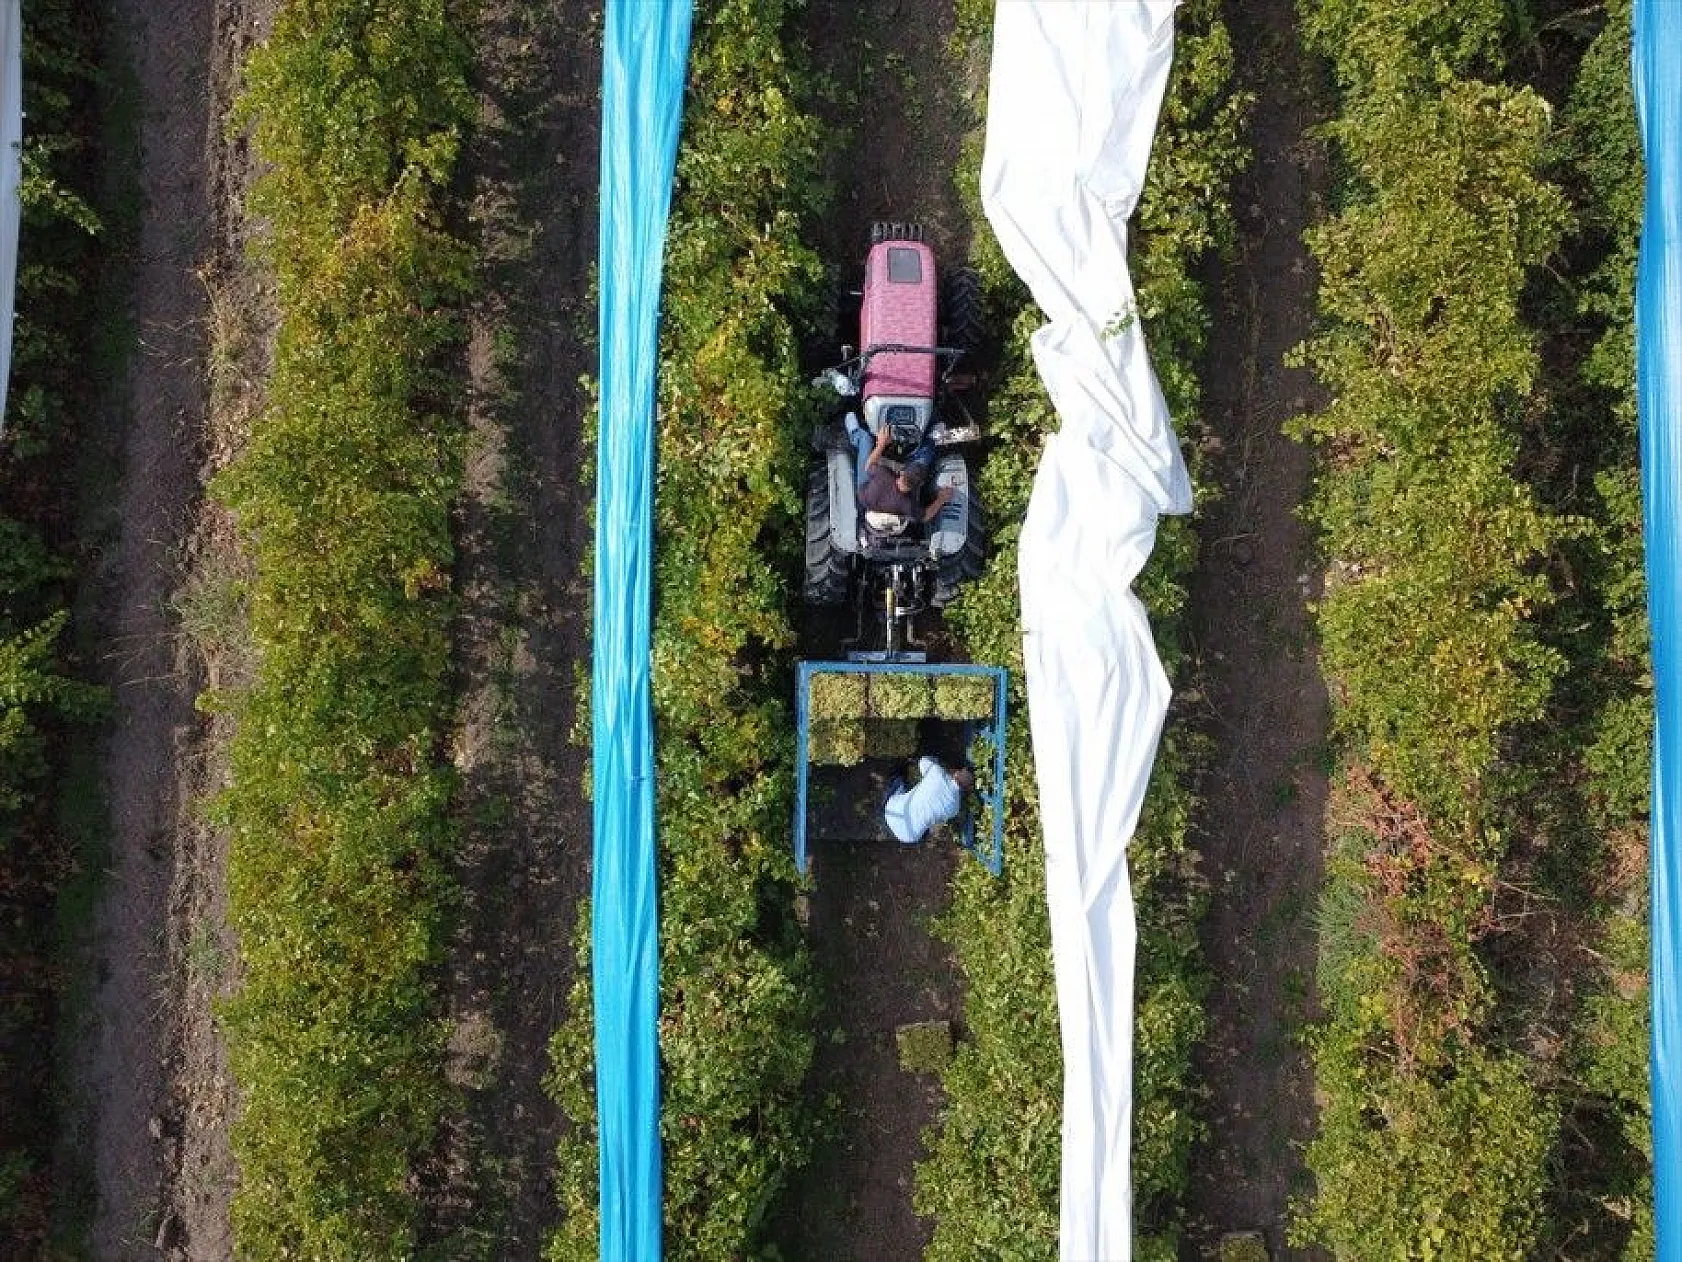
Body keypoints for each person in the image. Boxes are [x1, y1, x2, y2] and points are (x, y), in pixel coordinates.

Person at [847, 413, 953, 525]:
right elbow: (925, 516)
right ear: (920, 484)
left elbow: (869, 465)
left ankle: (851, 421)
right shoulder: (908, 505)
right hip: (873, 500)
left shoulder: (884, 475)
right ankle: (930, 436)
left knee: (865, 438)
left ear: (901, 473)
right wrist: (941, 500)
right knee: (925, 457)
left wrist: (881, 445)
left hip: (864, 492)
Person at [883, 756, 974, 846]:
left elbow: (923, 760)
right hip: (908, 836)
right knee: (926, 822)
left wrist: (939, 764)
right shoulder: (954, 808)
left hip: (891, 812)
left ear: (956, 773)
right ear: (966, 788)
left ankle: (901, 764)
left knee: (897, 781)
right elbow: (939, 820)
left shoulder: (937, 773)